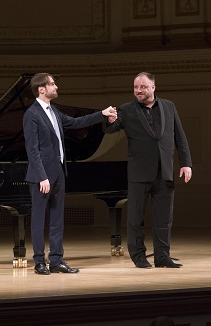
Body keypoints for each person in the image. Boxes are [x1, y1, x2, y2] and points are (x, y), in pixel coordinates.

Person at [23, 73, 117, 275]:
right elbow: (32, 149)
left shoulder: (54, 110)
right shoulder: (31, 114)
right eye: (52, 84)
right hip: (42, 176)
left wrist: (101, 114)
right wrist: (42, 177)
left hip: (58, 171)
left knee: (57, 219)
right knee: (39, 219)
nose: (56, 87)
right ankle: (39, 262)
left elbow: (75, 123)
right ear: (41, 89)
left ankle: (56, 260)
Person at [103, 72, 192, 269]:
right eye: (136, 87)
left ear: (153, 87)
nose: (138, 91)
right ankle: (139, 256)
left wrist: (186, 163)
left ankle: (162, 256)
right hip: (139, 172)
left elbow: (180, 136)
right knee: (135, 218)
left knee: (164, 218)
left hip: (165, 171)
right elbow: (111, 129)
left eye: (142, 87)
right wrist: (109, 120)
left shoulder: (169, 106)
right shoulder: (126, 109)